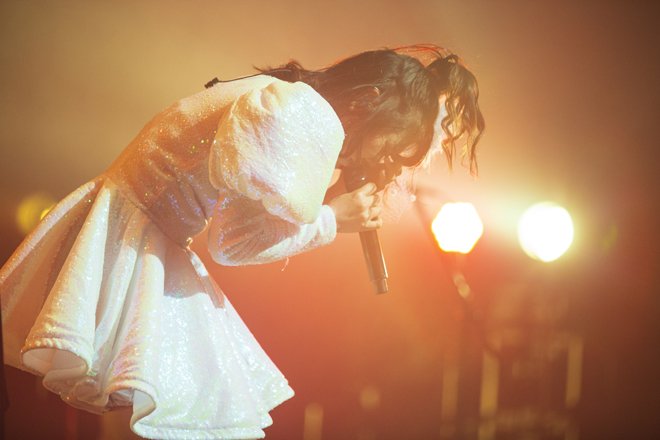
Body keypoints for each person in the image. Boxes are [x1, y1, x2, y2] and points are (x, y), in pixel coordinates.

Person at [0, 44, 484, 439]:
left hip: (138, 237)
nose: (392, 159)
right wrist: (331, 220)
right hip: (132, 244)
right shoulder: (304, 113)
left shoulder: (295, 101)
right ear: (368, 101)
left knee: (177, 411)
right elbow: (234, 243)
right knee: (187, 414)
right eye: (396, 141)